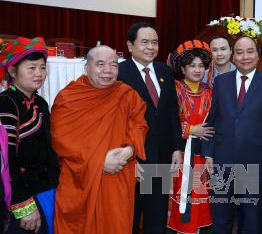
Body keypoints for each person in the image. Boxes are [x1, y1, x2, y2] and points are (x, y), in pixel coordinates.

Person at [51, 45, 148, 233]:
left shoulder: (127, 95)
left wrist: (129, 150)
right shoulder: (69, 98)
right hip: (80, 178)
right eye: (100, 64)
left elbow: (140, 125)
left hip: (118, 174)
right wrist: (100, 161)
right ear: (86, 68)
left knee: (115, 223)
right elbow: (61, 140)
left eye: (114, 65)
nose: (108, 71)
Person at [202, 36, 262, 233]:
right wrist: (208, 153)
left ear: (258, 56)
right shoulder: (221, 82)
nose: (244, 57)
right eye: (239, 52)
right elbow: (212, 120)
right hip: (222, 161)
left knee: (251, 219)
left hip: (254, 163)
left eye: (250, 52)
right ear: (232, 55)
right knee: (221, 219)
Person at [117, 22, 184, 234]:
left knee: (156, 216)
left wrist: (176, 147)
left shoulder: (165, 70)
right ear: (130, 45)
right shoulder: (119, 73)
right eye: (144, 42)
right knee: (131, 213)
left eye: (154, 42)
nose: (151, 47)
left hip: (161, 154)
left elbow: (172, 112)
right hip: (133, 156)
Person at [0, 37, 59, 234]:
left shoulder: (40, 102)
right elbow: (7, 160)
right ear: (12, 71)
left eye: (43, 68)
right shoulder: (6, 104)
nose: (39, 74)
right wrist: (23, 205)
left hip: (46, 191)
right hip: (24, 197)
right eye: (31, 68)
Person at [168, 40, 214, 233]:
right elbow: (168, 120)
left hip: (203, 152)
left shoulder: (210, 92)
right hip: (180, 151)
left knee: (201, 196)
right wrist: (190, 129)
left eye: (201, 65)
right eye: (192, 65)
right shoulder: (174, 90)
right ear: (183, 68)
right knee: (182, 193)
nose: (197, 70)